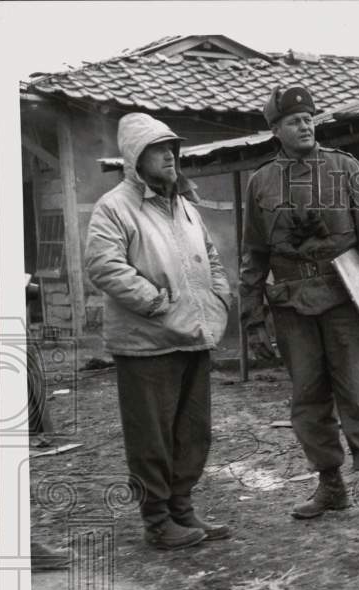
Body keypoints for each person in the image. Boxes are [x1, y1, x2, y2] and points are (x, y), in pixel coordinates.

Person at [240, 86, 359, 525]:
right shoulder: (261, 182)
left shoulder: (345, 168)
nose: (305, 125)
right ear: (275, 130)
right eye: (294, 121)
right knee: (308, 399)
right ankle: (331, 486)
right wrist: (252, 318)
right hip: (292, 306)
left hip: (346, 298)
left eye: (309, 118)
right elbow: (253, 254)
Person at [86, 113, 233, 550]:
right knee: (151, 437)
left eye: (172, 147)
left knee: (192, 431)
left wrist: (219, 299)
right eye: (158, 149)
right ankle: (157, 520)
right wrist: (155, 302)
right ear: (136, 158)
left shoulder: (184, 206)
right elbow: (104, 266)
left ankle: (182, 510)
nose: (170, 155)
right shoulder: (114, 206)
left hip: (193, 336)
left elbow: (212, 257)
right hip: (146, 342)